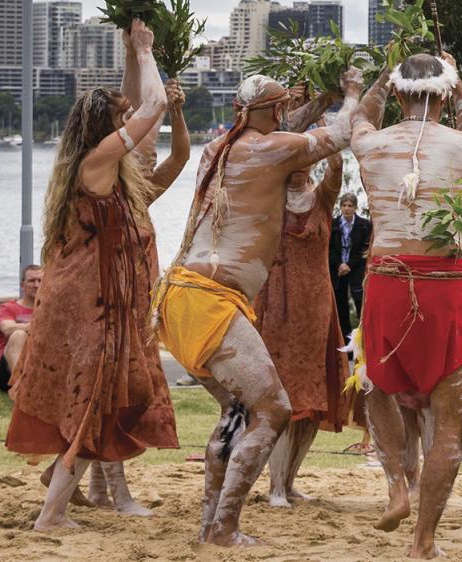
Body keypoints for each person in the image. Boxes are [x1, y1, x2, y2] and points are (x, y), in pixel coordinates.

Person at [154, 60, 361, 545]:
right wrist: (349, 91)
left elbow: (282, 127)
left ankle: (211, 525)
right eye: (283, 106)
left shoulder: (216, 150)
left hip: (178, 299)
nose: (288, 110)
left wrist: (310, 101)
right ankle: (224, 526)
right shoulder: (270, 150)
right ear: (272, 110)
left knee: (237, 412)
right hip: (211, 301)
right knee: (273, 410)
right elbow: (341, 135)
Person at [5, 20, 188, 531]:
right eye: (117, 118)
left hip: (98, 304)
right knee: (97, 403)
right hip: (91, 308)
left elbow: (137, 107)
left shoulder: (103, 166)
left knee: (108, 402)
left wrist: (132, 53)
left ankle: (57, 505)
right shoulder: (96, 163)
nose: (126, 121)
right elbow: (148, 109)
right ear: (103, 128)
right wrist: (150, 53)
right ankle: (52, 514)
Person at [349, 52, 462, 559]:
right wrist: (460, 83)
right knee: (449, 425)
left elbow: (359, 113)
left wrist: (382, 73)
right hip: (443, 285)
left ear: (398, 94)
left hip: (385, 281)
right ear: (445, 95)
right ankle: (423, 543)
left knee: (377, 387)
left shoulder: (370, 143)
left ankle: (397, 486)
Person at [255, 97, 354, 510]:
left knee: (313, 400)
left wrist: (329, 118)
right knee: (284, 399)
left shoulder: (323, 198)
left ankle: (291, 481)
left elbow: (336, 164)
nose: (298, 165)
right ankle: (275, 485)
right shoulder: (267, 197)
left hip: (316, 304)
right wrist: (297, 113)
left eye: (303, 158)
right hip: (276, 303)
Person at [0, 265, 42, 392]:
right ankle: (21, 388)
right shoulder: (8, 308)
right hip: (7, 372)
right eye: (31, 281)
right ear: (23, 285)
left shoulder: (48, 311)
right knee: (18, 335)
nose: (36, 285)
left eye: (40, 281)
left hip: (38, 367)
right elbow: (8, 329)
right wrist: (36, 326)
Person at [331, 192, 372, 337]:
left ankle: (363, 340)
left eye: (350, 206)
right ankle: (345, 345)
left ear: (355, 208)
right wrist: (339, 265)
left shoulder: (364, 225)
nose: (346, 208)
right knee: (341, 306)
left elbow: (364, 248)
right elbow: (330, 248)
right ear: (340, 207)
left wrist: (349, 265)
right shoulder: (333, 224)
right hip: (338, 270)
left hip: (356, 270)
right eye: (344, 205)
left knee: (360, 303)